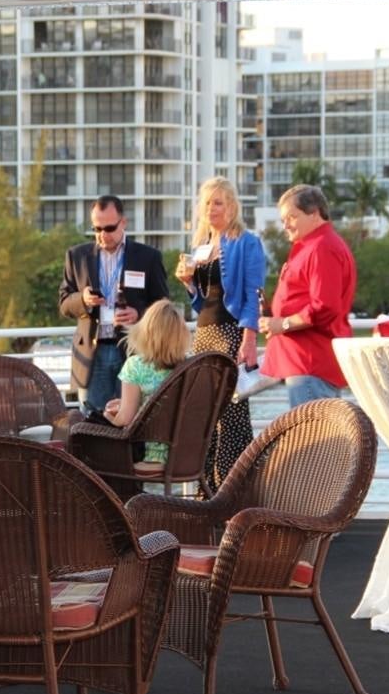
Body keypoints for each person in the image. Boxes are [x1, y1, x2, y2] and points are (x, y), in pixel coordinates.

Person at [174, 177, 266, 494]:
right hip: (204, 334)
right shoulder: (201, 246)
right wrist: (188, 284)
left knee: (232, 416)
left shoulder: (245, 242)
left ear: (232, 206)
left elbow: (253, 294)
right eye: (208, 203)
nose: (212, 209)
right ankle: (207, 488)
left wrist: (249, 338)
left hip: (230, 333)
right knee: (207, 415)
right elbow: (203, 302)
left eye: (219, 202)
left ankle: (233, 488)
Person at [58, 195, 169, 417]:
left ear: (123, 223)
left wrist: (139, 314)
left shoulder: (147, 257)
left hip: (132, 351)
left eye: (109, 228)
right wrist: (83, 299)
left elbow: (163, 306)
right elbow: (63, 303)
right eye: (96, 229)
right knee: (93, 423)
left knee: (132, 420)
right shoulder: (77, 256)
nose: (102, 235)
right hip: (92, 353)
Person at [260, 184, 356, 408]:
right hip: (304, 364)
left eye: (292, 217)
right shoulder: (312, 246)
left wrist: (281, 323)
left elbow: (324, 306)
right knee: (313, 437)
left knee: (314, 440)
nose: (285, 225)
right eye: (284, 219)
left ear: (314, 213)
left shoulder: (322, 247)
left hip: (311, 364)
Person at [102, 300, 190, 472]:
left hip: (150, 458)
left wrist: (108, 416)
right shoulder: (191, 366)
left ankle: (118, 499)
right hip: (187, 457)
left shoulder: (136, 366)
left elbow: (126, 419)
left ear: (146, 331)